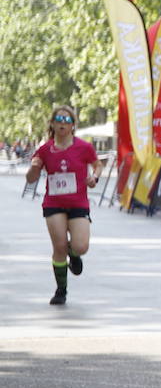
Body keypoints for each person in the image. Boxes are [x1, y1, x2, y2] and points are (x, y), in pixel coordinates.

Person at [26, 105, 102, 306]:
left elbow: (97, 164)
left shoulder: (84, 147)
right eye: (59, 119)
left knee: (81, 246)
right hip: (54, 203)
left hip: (78, 203)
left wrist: (94, 177)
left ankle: (74, 253)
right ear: (52, 123)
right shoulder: (44, 149)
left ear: (73, 125)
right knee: (58, 246)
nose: (62, 123)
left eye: (67, 120)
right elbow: (31, 177)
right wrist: (33, 169)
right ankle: (61, 290)